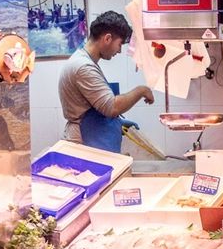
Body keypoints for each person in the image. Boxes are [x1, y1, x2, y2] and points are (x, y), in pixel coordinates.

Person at [58, 10, 154, 151]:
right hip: (85, 144)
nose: (119, 51)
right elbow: (112, 107)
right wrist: (141, 90)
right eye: (120, 44)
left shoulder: (85, 61)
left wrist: (115, 124)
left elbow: (94, 106)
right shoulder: (84, 67)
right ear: (107, 38)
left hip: (92, 138)